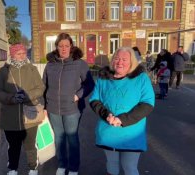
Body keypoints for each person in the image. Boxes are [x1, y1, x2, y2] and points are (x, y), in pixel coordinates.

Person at [89, 47, 155, 175]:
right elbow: (94, 99)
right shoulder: (104, 78)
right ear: (112, 60)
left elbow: (148, 103)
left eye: (124, 59)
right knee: (112, 164)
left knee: (129, 166)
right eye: (117, 58)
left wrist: (122, 119)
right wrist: (106, 115)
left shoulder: (141, 78)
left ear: (131, 63)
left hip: (132, 133)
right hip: (109, 131)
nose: (120, 62)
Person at [43, 33, 95, 175]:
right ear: (57, 47)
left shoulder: (79, 63)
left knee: (72, 138)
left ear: (71, 46)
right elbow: (44, 86)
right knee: (59, 137)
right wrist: (44, 106)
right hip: (53, 108)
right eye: (61, 46)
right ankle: (62, 164)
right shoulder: (50, 65)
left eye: (67, 46)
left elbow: (90, 84)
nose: (64, 49)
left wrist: (78, 95)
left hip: (72, 108)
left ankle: (73, 168)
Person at [0, 43, 45, 175]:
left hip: (30, 115)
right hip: (10, 116)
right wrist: (11, 98)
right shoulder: (4, 71)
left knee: (30, 145)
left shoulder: (32, 69)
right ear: (12, 55)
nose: (22, 56)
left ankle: (33, 167)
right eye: (19, 53)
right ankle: (13, 168)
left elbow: (40, 88)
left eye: (24, 53)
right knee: (13, 146)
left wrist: (27, 96)